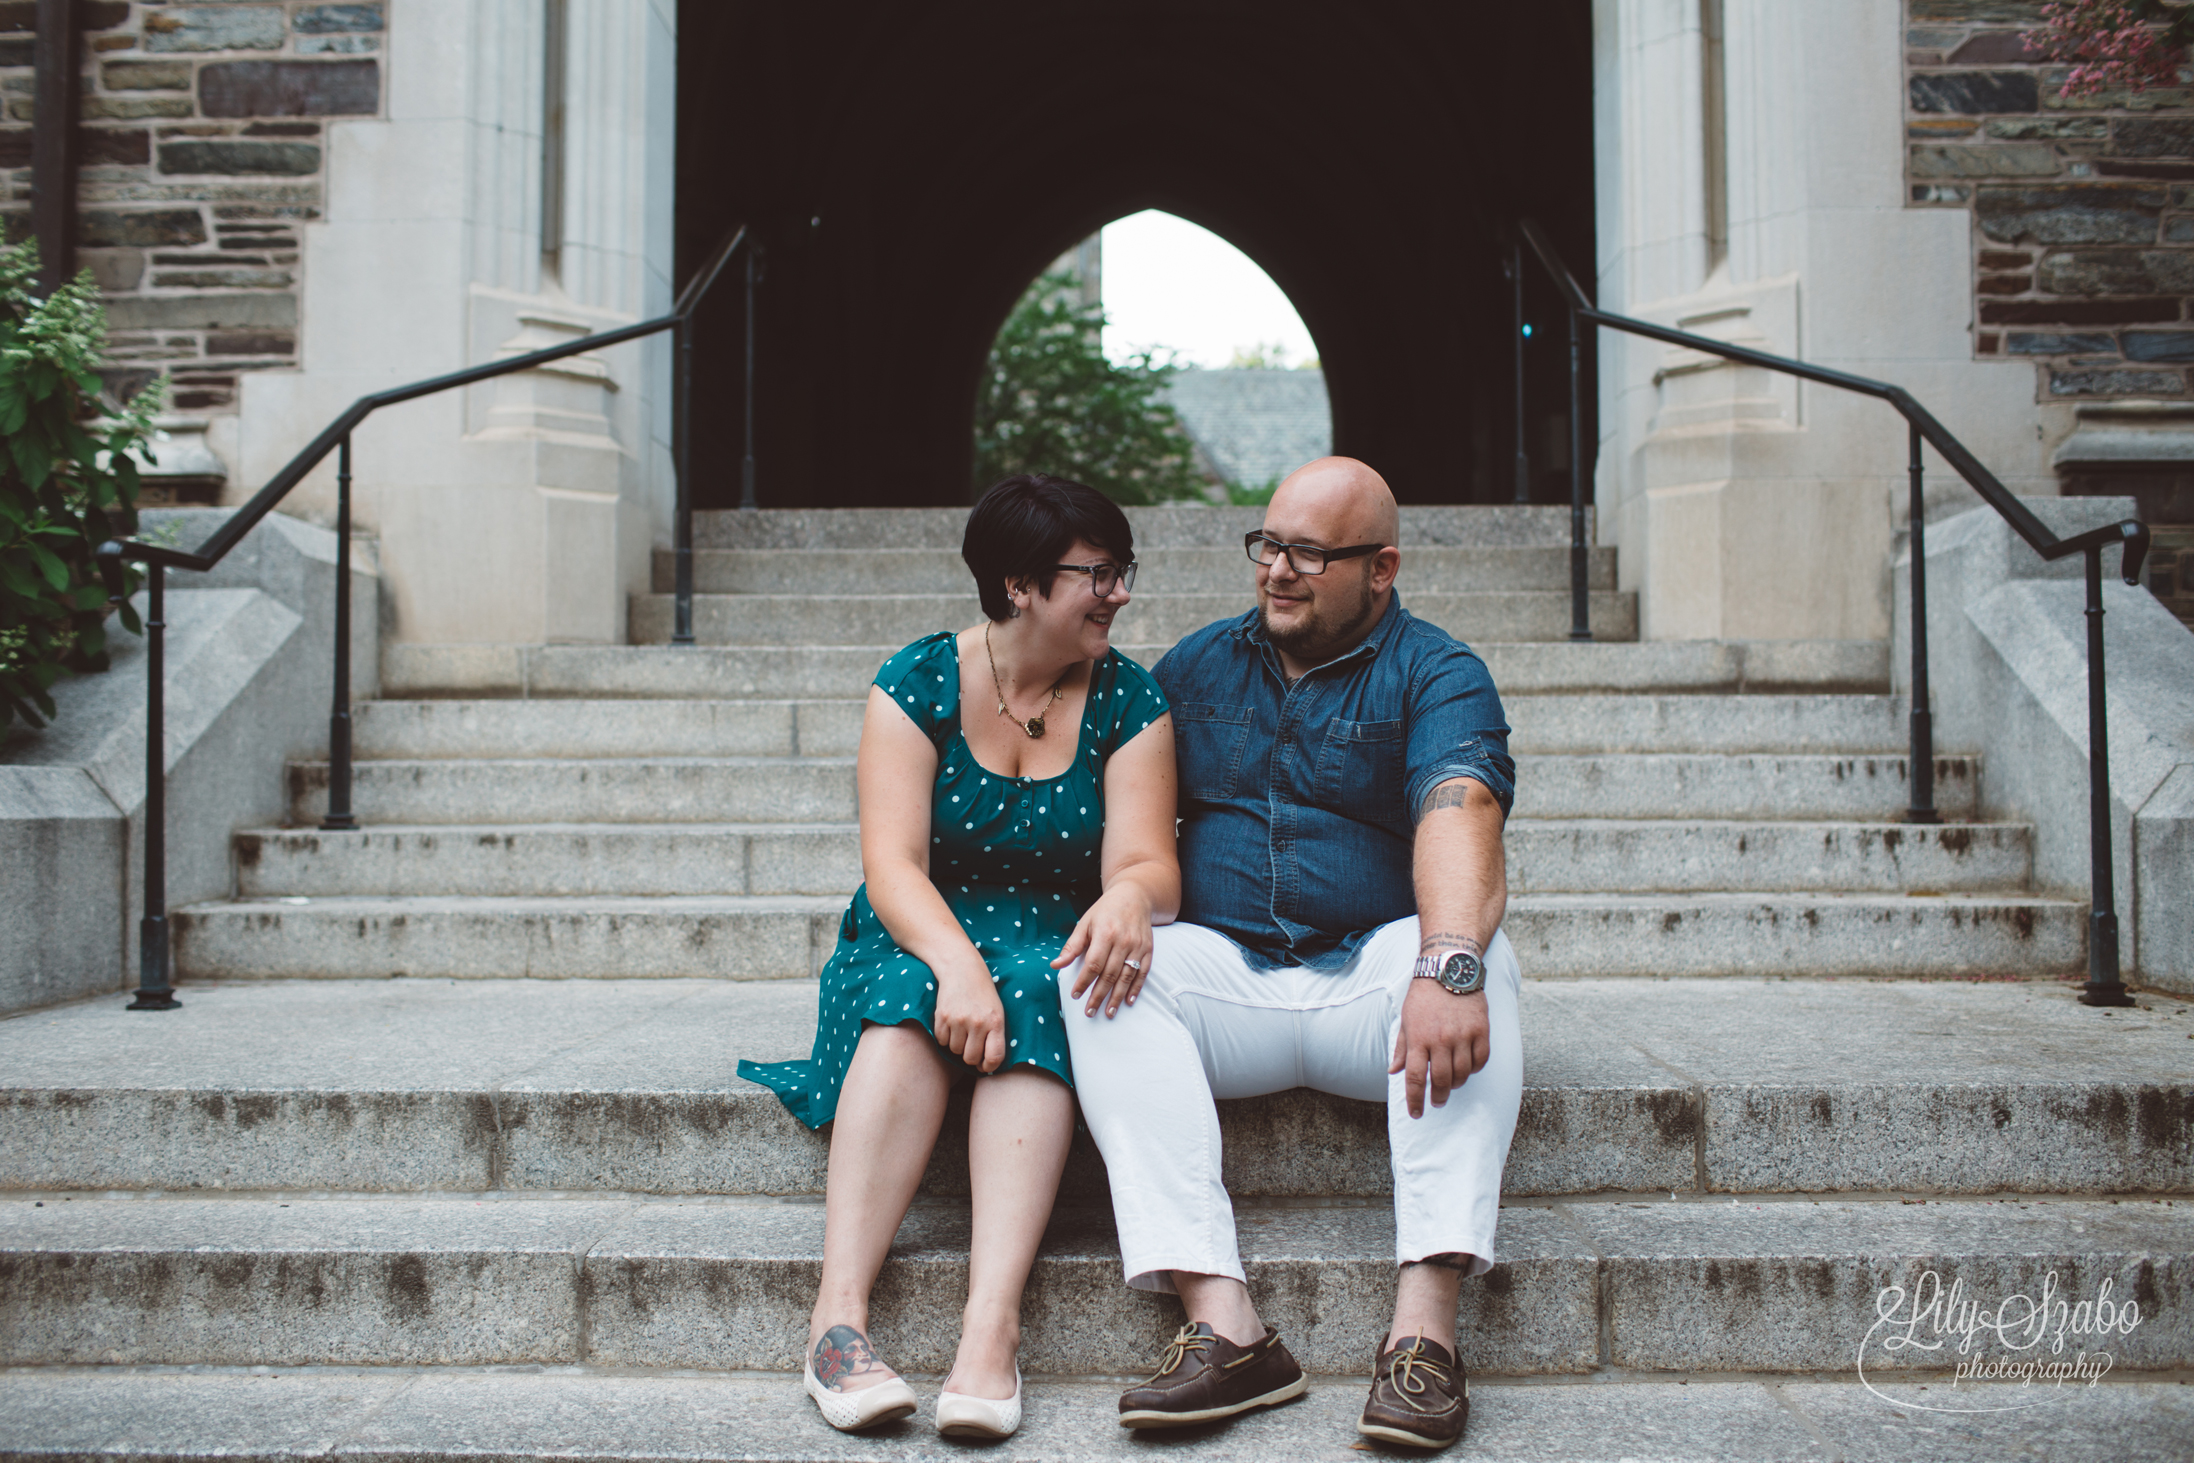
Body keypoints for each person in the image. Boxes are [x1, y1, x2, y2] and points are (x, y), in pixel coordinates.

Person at [1060, 456, 1520, 1452]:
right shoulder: (1193, 667)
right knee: (1092, 973)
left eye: (1308, 553)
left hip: (1375, 994)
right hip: (1228, 979)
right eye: (1268, 545)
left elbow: (1461, 805)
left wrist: (1447, 960)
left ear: (1381, 567)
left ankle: (1423, 1334)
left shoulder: (1438, 671)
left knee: (1476, 959)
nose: (1277, 570)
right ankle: (1226, 1324)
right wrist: (1126, 899)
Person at [738, 473, 1179, 1440]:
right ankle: (837, 1319)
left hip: (1047, 938)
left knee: (1049, 988)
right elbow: (892, 866)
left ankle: (992, 1327)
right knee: (910, 990)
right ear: (1020, 585)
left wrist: (1129, 896)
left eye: (1122, 571)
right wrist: (956, 963)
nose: (1120, 593)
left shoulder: (1130, 698)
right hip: (919, 925)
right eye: (1096, 575)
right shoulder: (919, 680)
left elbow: (1149, 859)